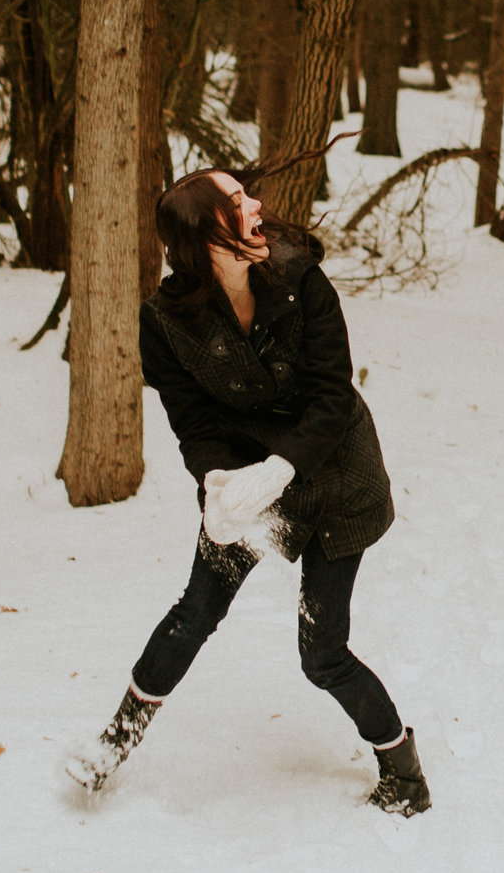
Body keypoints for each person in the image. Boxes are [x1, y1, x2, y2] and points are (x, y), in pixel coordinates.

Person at [64, 168, 430, 815]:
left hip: (339, 473)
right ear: (205, 237)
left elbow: (331, 394)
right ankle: (113, 743)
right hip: (252, 487)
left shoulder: (300, 280)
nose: (255, 204)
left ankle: (403, 767)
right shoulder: (165, 320)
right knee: (193, 612)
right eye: (237, 201)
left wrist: (281, 467)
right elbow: (193, 422)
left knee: (322, 653)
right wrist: (217, 482)